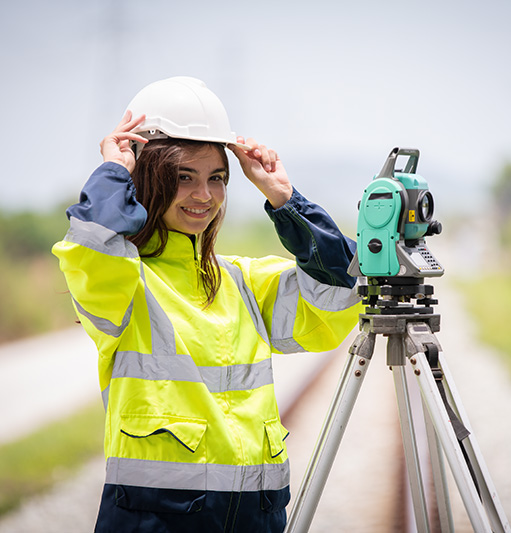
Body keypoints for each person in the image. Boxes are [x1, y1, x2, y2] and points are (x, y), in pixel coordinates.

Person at [52, 77, 363, 532]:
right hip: (157, 521)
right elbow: (94, 244)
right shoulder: (125, 283)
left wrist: (283, 198)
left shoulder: (242, 281)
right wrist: (116, 170)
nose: (204, 196)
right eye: (184, 178)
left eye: (216, 178)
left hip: (257, 516)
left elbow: (340, 292)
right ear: (147, 177)